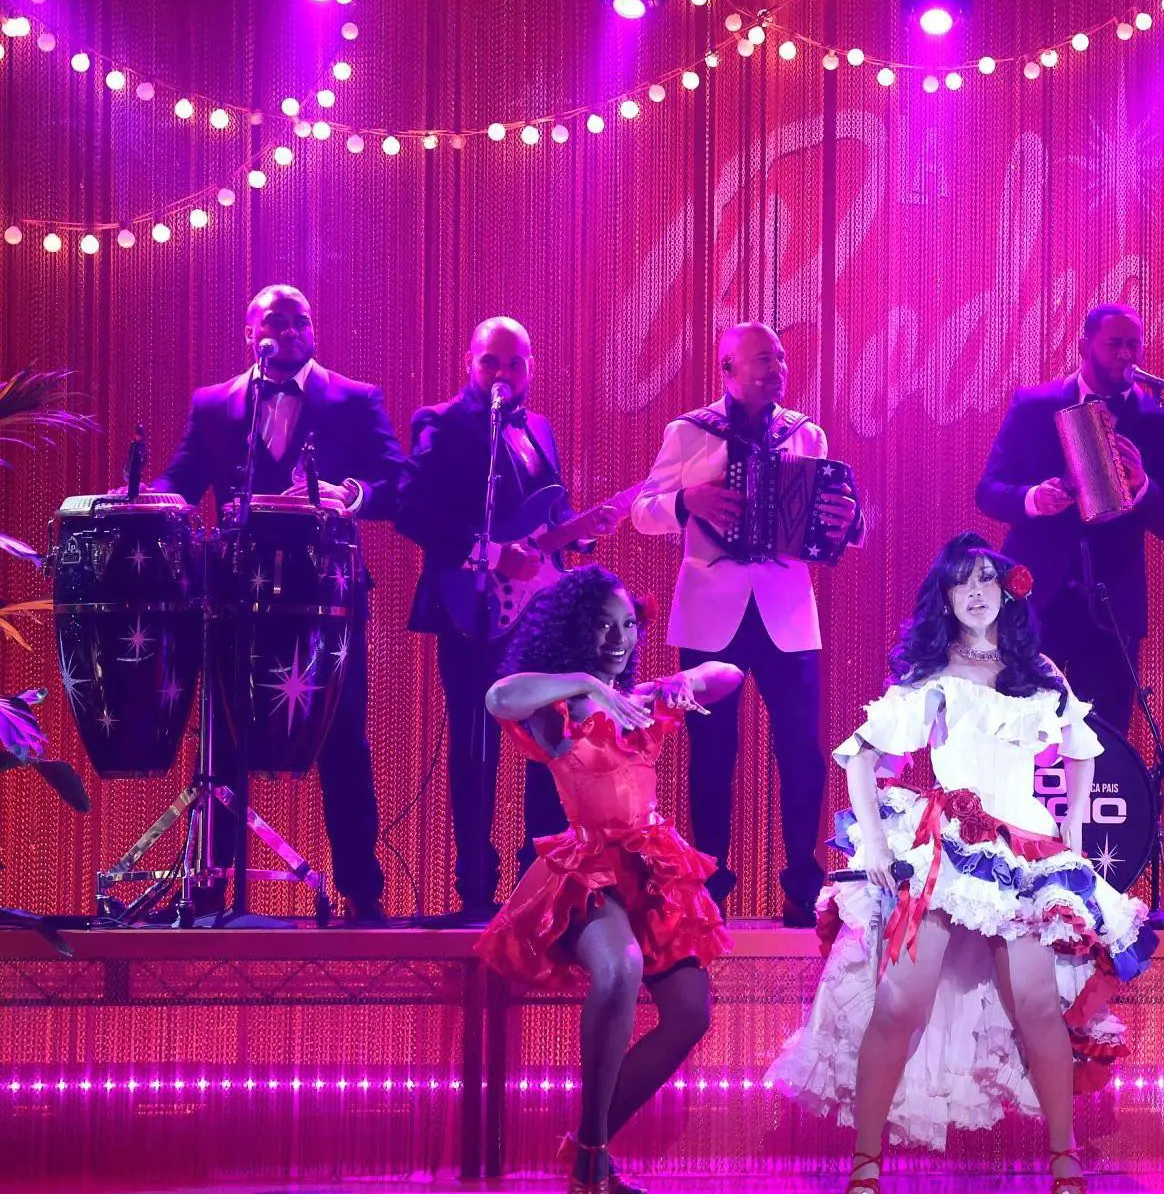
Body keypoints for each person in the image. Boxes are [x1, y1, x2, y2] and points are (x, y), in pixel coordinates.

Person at [768, 531, 1158, 1194]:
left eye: (985, 578)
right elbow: (861, 754)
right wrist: (877, 844)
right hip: (948, 844)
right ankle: (866, 1158)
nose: (975, 591)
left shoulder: (1039, 671)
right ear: (945, 598)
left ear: (1006, 590)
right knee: (900, 1003)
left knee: (1037, 1005)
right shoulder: (932, 673)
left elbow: (1083, 748)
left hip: (1025, 853)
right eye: (961, 581)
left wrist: (1070, 824)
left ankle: (1063, 1154)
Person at [477, 565, 742, 1194]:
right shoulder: (556, 710)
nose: (619, 638)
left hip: (651, 865)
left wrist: (676, 684)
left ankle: (587, 1142)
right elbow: (498, 697)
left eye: (627, 625)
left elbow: (728, 673)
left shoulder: (641, 701)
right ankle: (593, 1156)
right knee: (620, 968)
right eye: (603, 625)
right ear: (576, 631)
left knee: (691, 1013)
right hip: (589, 866)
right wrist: (588, 681)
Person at [155, 283, 405, 923]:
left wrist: (353, 494)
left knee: (342, 738)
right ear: (251, 333)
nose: (290, 330)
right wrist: (146, 500)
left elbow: (398, 482)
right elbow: (181, 480)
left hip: (328, 597)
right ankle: (210, 890)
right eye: (276, 320)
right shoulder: (214, 405)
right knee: (223, 739)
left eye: (301, 320)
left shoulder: (353, 399)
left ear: (313, 330)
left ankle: (362, 895)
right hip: (235, 596)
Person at [630, 323, 859, 928]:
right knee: (712, 755)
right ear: (727, 367)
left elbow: (831, 517)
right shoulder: (688, 431)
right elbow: (642, 511)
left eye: (780, 358)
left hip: (787, 613)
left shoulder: (805, 433)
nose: (777, 368)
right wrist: (687, 502)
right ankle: (708, 889)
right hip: (711, 613)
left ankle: (804, 887)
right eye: (763, 359)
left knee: (802, 753)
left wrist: (847, 520)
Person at [397, 317, 621, 922]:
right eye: (491, 362)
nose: (502, 373)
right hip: (472, 605)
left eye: (514, 363)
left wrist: (581, 532)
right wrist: (492, 555)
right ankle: (474, 888)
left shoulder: (539, 428)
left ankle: (538, 880)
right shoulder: (441, 423)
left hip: (538, 612)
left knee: (547, 744)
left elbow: (551, 511)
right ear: (470, 363)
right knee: (476, 744)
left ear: (531, 368)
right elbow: (412, 511)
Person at [974, 302, 1164, 737]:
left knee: (1104, 740)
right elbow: (988, 491)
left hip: (1112, 606)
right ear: (1084, 346)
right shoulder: (1034, 405)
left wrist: (1143, 486)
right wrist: (1034, 498)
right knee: (1022, 731)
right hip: (1036, 598)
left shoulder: (1160, 420)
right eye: (1114, 344)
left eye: (1134, 345)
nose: (1126, 355)